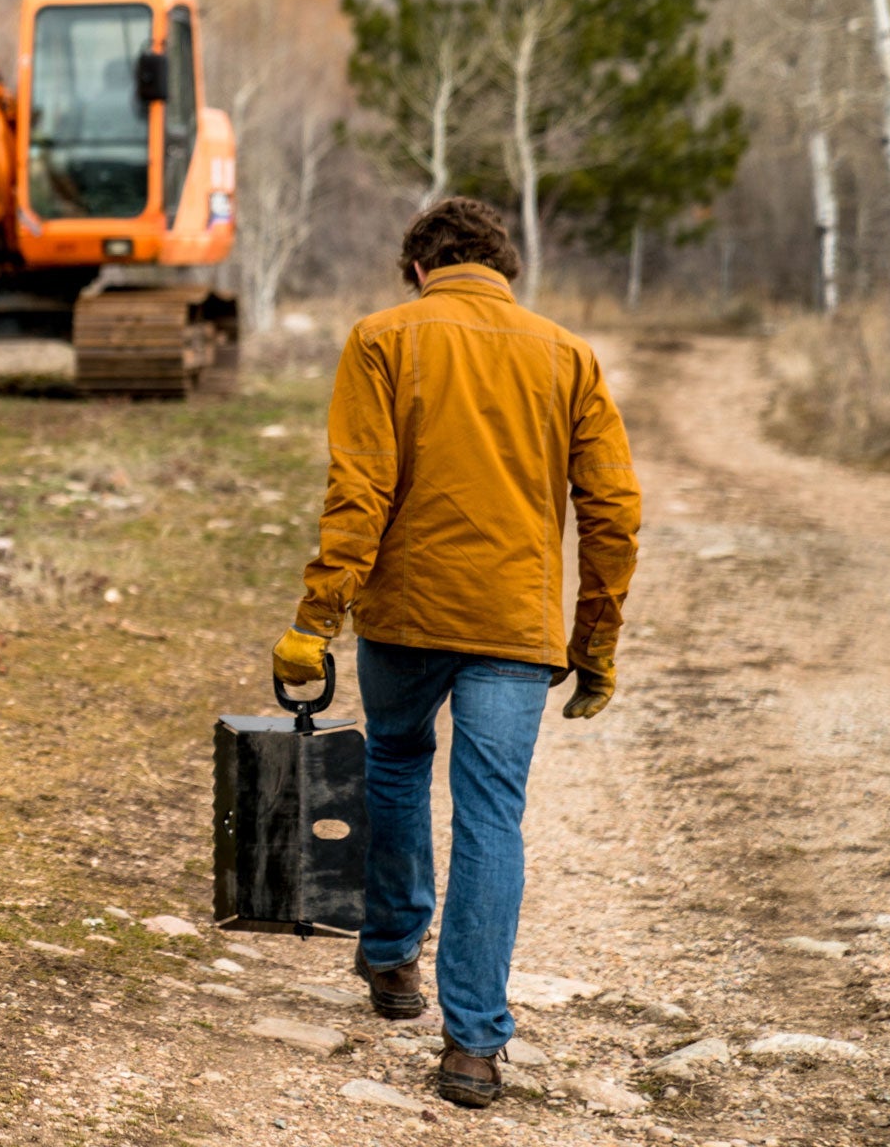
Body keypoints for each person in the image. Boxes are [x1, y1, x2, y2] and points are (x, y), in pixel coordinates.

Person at [271, 197, 640, 1108]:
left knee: (395, 764)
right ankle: (472, 1047)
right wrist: (594, 641)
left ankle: (394, 958)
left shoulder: (382, 339)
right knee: (491, 817)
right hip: (514, 628)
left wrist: (316, 617)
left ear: (419, 268)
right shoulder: (568, 355)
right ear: (503, 269)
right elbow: (614, 512)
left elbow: (359, 488)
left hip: (402, 617)